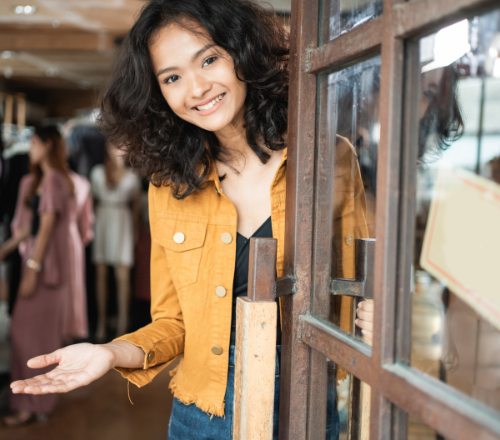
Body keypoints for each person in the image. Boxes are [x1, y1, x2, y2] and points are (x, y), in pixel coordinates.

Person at [9, 1, 374, 438]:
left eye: (209, 59)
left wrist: (376, 315)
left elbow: (356, 289)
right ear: (157, 92)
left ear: (242, 53)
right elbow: (173, 323)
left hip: (305, 403)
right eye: (172, 77)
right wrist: (110, 352)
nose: (197, 87)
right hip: (202, 416)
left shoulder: (327, 158)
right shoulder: (170, 185)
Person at [0, 126, 74, 426]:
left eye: (33, 142)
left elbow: (45, 229)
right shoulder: (33, 181)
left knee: (33, 339)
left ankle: (33, 402)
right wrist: (4, 249)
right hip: (37, 265)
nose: (28, 147)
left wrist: (32, 268)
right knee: (24, 335)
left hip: (47, 270)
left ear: (47, 145)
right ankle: (32, 399)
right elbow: (26, 230)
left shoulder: (56, 180)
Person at [90, 143, 140, 341]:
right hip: (102, 219)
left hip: (123, 222)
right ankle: (101, 324)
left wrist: (134, 234)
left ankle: (122, 325)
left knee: (123, 276)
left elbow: (136, 208)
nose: (120, 149)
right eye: (115, 145)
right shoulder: (97, 172)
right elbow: (92, 203)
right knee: (101, 274)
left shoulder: (133, 175)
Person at [65, 170, 94, 342]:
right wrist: (84, 236)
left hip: (55, 239)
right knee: (73, 286)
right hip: (73, 237)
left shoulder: (38, 180)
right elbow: (86, 221)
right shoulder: (82, 182)